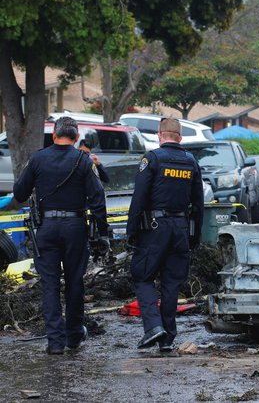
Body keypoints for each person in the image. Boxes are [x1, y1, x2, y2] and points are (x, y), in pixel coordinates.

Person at [13, 116, 109, 355]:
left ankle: (55, 342)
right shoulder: (84, 161)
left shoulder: (37, 158)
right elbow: (98, 199)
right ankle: (74, 335)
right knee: (75, 283)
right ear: (76, 138)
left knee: (50, 285)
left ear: (54, 135)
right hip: (75, 228)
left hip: (46, 229)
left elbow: (19, 192)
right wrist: (103, 233)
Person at [126, 117, 204, 352]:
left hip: (154, 229)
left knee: (142, 276)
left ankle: (153, 327)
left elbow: (138, 198)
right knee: (171, 283)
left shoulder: (152, 159)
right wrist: (194, 236)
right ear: (180, 138)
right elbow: (199, 204)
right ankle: (167, 339)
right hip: (180, 229)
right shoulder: (191, 161)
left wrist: (131, 232)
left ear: (160, 135)